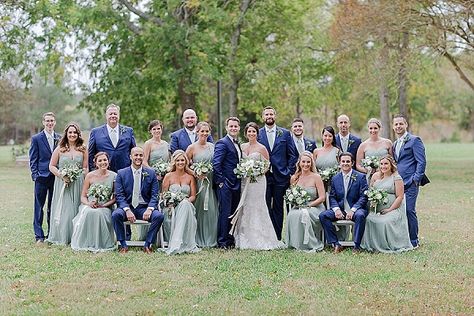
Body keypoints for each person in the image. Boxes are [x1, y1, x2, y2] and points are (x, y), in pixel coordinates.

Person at [229, 122, 284, 250]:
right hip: (244, 181)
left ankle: (260, 237)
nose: (251, 133)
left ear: (257, 134)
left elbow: (267, 166)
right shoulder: (241, 147)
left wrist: (255, 172)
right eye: (249, 131)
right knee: (245, 206)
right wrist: (245, 171)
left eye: (254, 131)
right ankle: (244, 237)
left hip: (258, 182)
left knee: (257, 206)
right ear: (245, 133)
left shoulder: (262, 148)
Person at [112, 147, 164, 254]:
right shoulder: (121, 173)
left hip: (143, 208)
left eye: (140, 155)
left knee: (159, 216)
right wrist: (127, 210)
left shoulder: (151, 173)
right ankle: (123, 244)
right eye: (136, 155)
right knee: (116, 215)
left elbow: (155, 195)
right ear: (130, 157)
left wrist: (150, 209)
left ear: (143, 157)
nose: (138, 157)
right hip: (127, 207)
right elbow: (120, 195)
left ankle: (148, 244)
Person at [258, 106, 298, 240]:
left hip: (281, 176)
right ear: (263, 117)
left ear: (275, 116)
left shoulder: (285, 133)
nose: (269, 116)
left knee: (278, 207)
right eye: (266, 114)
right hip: (263, 177)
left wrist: (288, 172)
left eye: (271, 114)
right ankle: (267, 236)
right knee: (265, 205)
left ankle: (277, 236)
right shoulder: (258, 133)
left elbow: (292, 155)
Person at [361, 155, 413, 253]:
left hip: (393, 209)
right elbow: (370, 191)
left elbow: (400, 197)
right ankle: (372, 245)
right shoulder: (375, 176)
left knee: (385, 221)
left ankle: (387, 245)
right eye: (381, 164)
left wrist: (389, 210)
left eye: (386, 164)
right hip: (376, 209)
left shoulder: (397, 178)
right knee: (368, 219)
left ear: (391, 165)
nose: (383, 166)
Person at [47, 123, 88, 245]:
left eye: (75, 132)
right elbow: (51, 166)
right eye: (70, 132)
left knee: (76, 209)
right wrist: (62, 175)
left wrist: (79, 175)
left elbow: (85, 168)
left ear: (78, 134)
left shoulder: (83, 148)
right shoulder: (59, 148)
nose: (72, 134)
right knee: (65, 210)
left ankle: (77, 237)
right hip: (63, 184)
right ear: (66, 134)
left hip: (78, 183)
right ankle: (64, 237)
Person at [319, 152, 368, 253]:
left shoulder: (360, 177)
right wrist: (336, 209)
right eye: (343, 161)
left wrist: (353, 210)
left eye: (348, 161)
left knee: (360, 215)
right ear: (339, 163)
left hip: (356, 209)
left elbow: (364, 196)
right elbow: (332, 197)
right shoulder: (335, 178)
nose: (345, 163)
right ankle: (336, 243)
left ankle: (357, 246)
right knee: (323, 216)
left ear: (352, 163)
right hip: (341, 209)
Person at [392, 114, 428, 248]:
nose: (398, 126)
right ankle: (402, 238)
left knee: (409, 210)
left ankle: (414, 240)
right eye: (396, 124)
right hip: (398, 183)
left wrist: (416, 179)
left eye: (401, 123)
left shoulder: (414, 140)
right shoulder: (395, 144)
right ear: (393, 126)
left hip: (411, 182)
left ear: (406, 125)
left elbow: (421, 161)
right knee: (399, 211)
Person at [71, 152, 116, 252]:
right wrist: (88, 203)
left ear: (108, 161)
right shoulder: (90, 176)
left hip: (105, 206)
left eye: (105, 160)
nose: (103, 162)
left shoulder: (114, 176)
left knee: (99, 214)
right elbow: (83, 197)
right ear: (95, 163)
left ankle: (102, 243)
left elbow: (115, 198)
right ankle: (87, 242)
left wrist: (104, 205)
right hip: (90, 205)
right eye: (100, 160)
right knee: (89, 212)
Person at [29, 112, 61, 243]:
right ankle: (39, 235)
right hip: (41, 177)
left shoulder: (59, 138)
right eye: (47, 121)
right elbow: (33, 159)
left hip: (55, 177)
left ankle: (51, 234)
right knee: (39, 207)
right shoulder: (36, 138)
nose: (50, 123)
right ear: (43, 122)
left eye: (52, 121)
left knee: (52, 206)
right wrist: (35, 175)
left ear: (55, 122)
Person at [186, 122, 218, 248]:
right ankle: (197, 237)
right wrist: (196, 173)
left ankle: (211, 237)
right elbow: (185, 165)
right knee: (198, 209)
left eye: (206, 131)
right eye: (202, 131)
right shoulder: (191, 148)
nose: (204, 133)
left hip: (210, 181)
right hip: (198, 182)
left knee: (211, 209)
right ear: (197, 132)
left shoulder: (212, 146)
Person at [286, 151, 326, 252]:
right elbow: (292, 195)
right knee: (292, 215)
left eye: (308, 162)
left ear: (311, 163)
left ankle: (310, 243)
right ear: (299, 163)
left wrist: (309, 205)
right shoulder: (294, 178)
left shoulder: (316, 177)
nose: (305, 164)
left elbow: (322, 197)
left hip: (315, 207)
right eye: (303, 162)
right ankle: (296, 243)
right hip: (299, 206)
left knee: (304, 214)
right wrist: (296, 202)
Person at [137, 120, 170, 241]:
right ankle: (147, 235)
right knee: (150, 201)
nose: (157, 131)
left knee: (162, 201)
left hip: (164, 178)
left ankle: (162, 235)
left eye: (158, 128)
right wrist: (154, 173)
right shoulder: (148, 144)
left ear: (162, 129)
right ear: (150, 131)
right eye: (154, 129)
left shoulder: (166, 144)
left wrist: (165, 171)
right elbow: (144, 161)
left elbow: (169, 161)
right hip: (150, 177)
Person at [162, 150, 200, 255]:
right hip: (172, 207)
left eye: (182, 160)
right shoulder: (168, 176)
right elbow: (163, 194)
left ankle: (179, 242)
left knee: (185, 204)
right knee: (183, 205)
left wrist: (185, 201)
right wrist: (170, 202)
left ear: (186, 162)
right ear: (174, 162)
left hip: (187, 206)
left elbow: (193, 196)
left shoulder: (190, 177)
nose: (180, 163)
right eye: (178, 160)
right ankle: (176, 242)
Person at [213, 117, 242, 249]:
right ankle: (222, 241)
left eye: (235, 126)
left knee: (233, 212)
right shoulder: (222, 143)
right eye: (231, 126)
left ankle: (230, 240)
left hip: (236, 183)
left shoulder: (238, 143)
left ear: (239, 128)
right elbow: (216, 164)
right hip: (225, 184)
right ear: (226, 128)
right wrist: (221, 182)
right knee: (225, 212)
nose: (233, 128)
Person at [88, 103, 136, 172]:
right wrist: (93, 171)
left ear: (119, 116)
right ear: (106, 116)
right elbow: (91, 154)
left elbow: (133, 151)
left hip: (125, 171)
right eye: (110, 114)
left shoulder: (128, 131)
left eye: (115, 114)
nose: (113, 116)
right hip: (103, 172)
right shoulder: (95, 132)